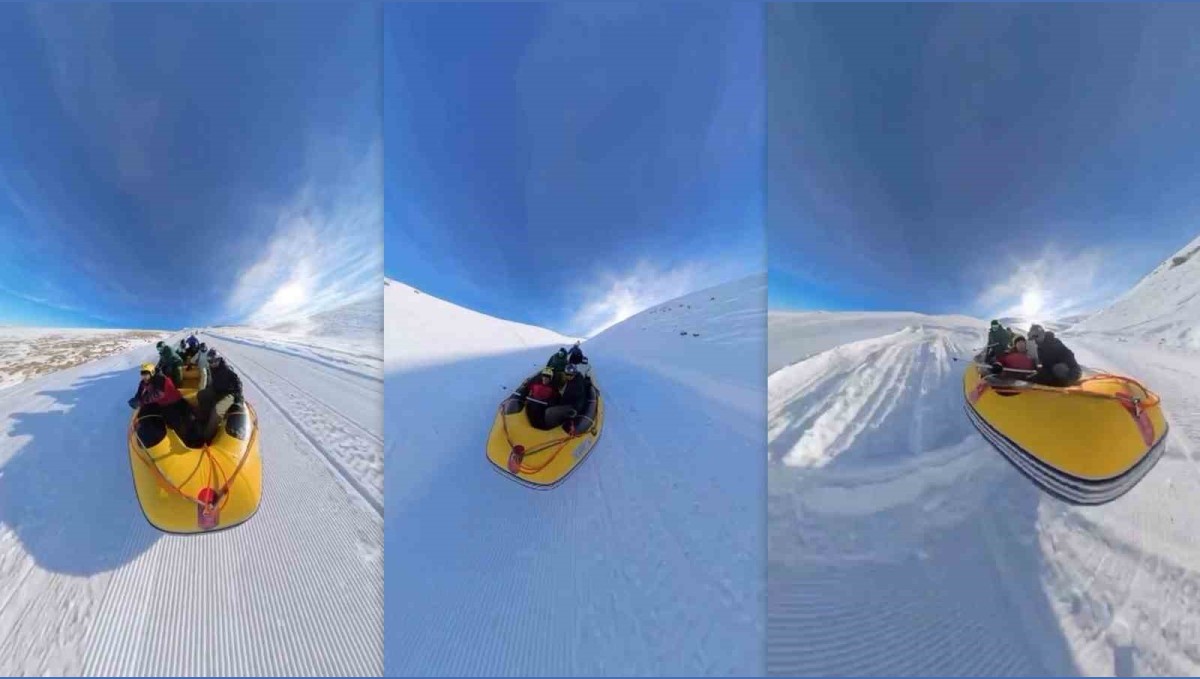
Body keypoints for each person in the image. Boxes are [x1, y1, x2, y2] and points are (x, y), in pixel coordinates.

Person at [128, 362, 198, 445]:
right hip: (163, 404)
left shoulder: (160, 379)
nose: (144, 377)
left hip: (175, 402)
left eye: (146, 374)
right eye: (142, 374)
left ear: (152, 373)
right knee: (149, 412)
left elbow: (159, 394)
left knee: (177, 421)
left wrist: (141, 401)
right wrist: (136, 399)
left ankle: (189, 440)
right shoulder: (145, 381)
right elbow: (140, 391)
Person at [196, 350, 244, 442]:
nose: (213, 363)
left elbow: (238, 384)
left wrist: (239, 400)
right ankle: (204, 416)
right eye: (210, 361)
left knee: (217, 410)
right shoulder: (212, 368)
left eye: (215, 361)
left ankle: (206, 437)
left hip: (229, 393)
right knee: (201, 395)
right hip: (217, 390)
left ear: (219, 359)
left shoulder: (227, 370)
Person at [544, 362, 591, 433]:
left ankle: (551, 428)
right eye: (567, 374)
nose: (568, 376)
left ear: (574, 374)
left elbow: (567, 399)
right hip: (569, 402)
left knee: (549, 412)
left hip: (573, 407)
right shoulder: (576, 378)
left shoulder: (575, 386)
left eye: (570, 375)